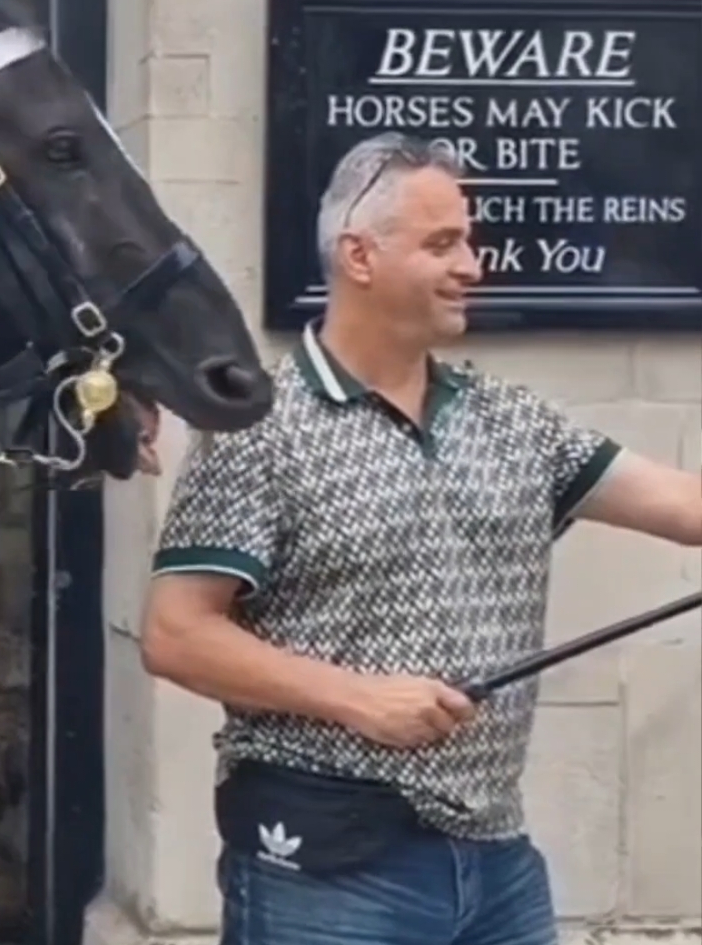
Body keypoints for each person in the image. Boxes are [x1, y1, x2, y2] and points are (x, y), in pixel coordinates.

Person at [141, 132, 702, 945]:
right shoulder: (259, 426)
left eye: (467, 240)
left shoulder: (512, 421)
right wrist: (359, 698)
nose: (471, 264)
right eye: (442, 243)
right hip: (326, 867)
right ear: (359, 256)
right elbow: (175, 634)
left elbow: (684, 505)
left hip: (498, 864)